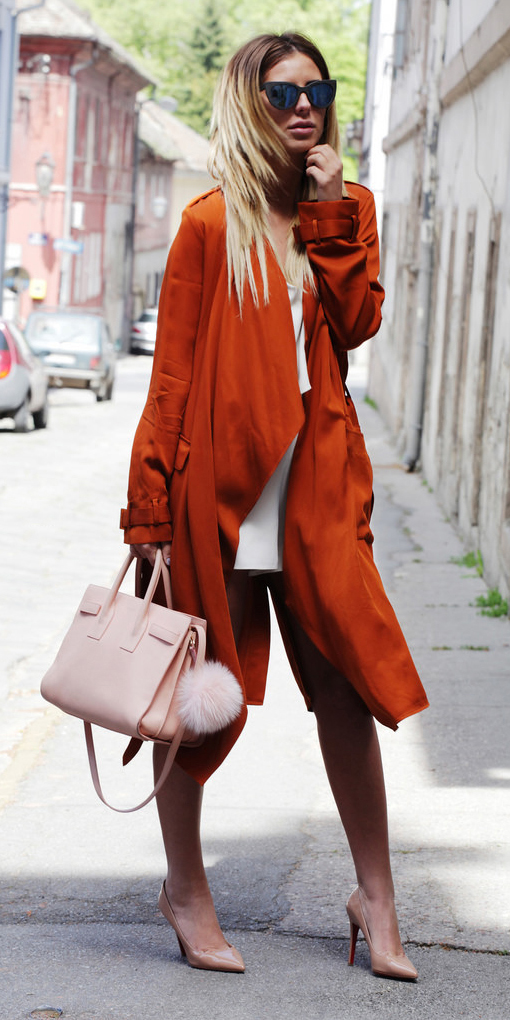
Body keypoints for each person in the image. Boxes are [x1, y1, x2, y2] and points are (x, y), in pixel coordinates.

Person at [121, 32, 428, 979]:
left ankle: (375, 898)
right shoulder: (211, 225)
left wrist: (334, 208)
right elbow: (171, 379)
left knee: (341, 686)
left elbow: (359, 322)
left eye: (317, 91)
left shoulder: (347, 208)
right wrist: (147, 511)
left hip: (316, 496)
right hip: (218, 494)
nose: (304, 107)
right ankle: (185, 887)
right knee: (196, 701)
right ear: (248, 102)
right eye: (283, 91)